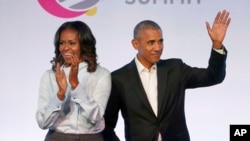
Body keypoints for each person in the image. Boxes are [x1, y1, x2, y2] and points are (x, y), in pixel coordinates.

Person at [102, 10, 231, 141]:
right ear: (135, 44)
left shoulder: (175, 68)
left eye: (161, 41)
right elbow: (105, 126)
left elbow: (213, 76)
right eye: (151, 42)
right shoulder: (118, 79)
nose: (158, 47)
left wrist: (217, 44)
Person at [36, 21, 111, 141]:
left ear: (84, 45)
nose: (65, 48)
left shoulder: (101, 74)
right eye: (62, 43)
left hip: (91, 137)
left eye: (72, 43)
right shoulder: (49, 76)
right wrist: (60, 95)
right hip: (57, 137)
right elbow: (42, 122)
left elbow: (97, 116)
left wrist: (76, 85)